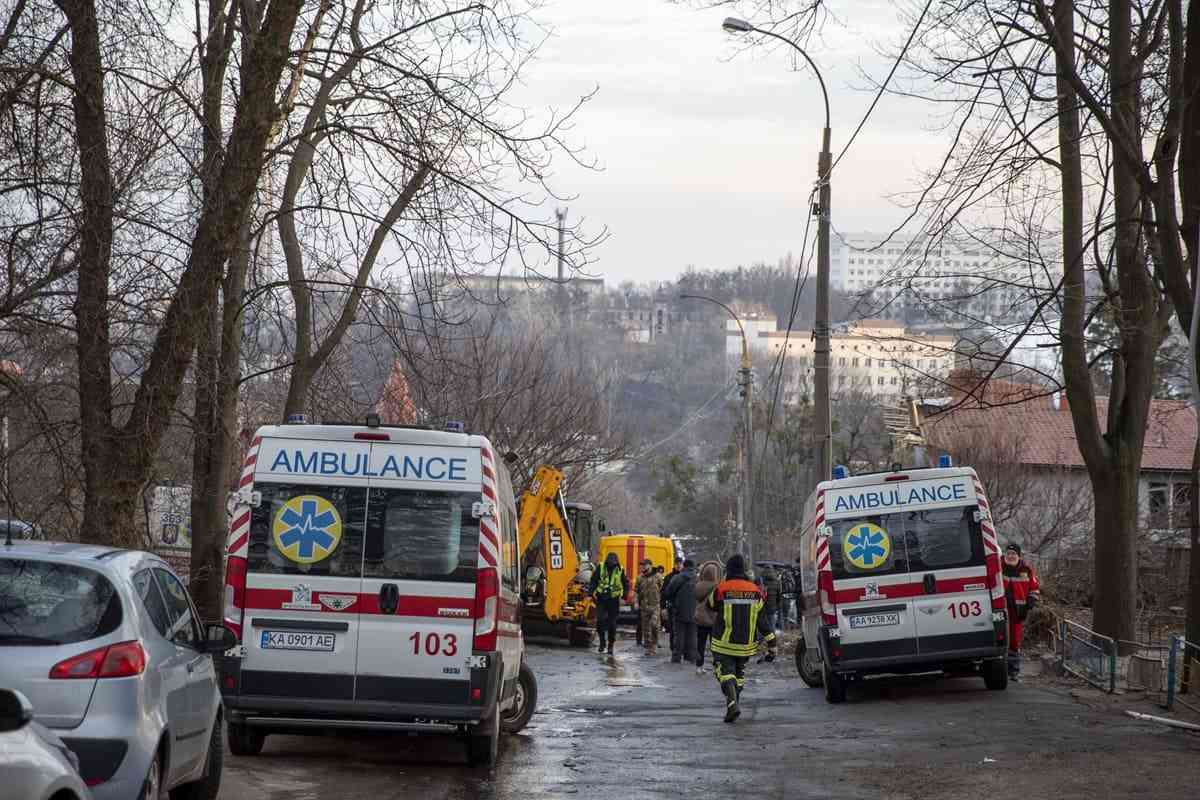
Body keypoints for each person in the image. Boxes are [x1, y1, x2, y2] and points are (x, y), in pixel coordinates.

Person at [705, 554, 777, 723]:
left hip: (723, 642)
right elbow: (763, 621)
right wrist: (772, 643)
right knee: (738, 674)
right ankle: (734, 703)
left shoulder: (722, 588)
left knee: (724, 673)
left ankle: (732, 704)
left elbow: (709, 605)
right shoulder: (756, 591)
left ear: (728, 569)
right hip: (746, 645)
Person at [1002, 543, 1040, 681]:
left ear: (1019, 556)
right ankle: (1000, 669)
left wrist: (1031, 601)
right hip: (999, 610)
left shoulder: (1026, 569)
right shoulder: (998, 566)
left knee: (1014, 641)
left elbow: (1034, 588)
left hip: (1018, 612)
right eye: (1008, 554)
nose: (1011, 556)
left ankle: (1013, 671)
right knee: (1000, 639)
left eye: (1013, 554)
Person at [590, 552, 628, 655]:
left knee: (612, 624)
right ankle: (602, 642)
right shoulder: (601, 567)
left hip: (614, 599)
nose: (611, 564)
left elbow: (625, 583)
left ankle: (611, 645)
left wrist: (625, 595)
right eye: (610, 563)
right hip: (601, 598)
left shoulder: (620, 569)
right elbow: (594, 580)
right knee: (600, 621)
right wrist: (590, 592)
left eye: (613, 563)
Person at [662, 559, 698, 665]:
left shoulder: (678, 577)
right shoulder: (698, 578)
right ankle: (691, 657)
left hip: (679, 610)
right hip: (694, 611)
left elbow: (668, 592)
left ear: (684, 566)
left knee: (679, 635)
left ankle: (677, 658)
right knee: (692, 635)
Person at [693, 561, 721, 674]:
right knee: (715, 644)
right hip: (713, 619)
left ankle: (699, 666)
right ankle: (716, 667)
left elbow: (696, 598)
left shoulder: (698, 585)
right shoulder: (717, 586)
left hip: (700, 619)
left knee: (700, 644)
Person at [634, 559, 662, 656]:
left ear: (650, 565)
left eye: (645, 565)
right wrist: (636, 603)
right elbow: (636, 592)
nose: (643, 567)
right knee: (645, 628)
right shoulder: (639, 578)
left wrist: (663, 603)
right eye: (642, 565)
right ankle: (649, 647)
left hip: (655, 606)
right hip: (644, 606)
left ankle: (654, 644)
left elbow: (663, 590)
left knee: (654, 625)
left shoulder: (658, 576)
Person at [661, 562, 682, 651]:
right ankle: (673, 647)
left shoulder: (684, 576)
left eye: (680, 564)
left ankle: (678, 647)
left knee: (680, 628)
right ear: (674, 565)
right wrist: (663, 606)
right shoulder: (668, 577)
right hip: (671, 605)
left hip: (681, 606)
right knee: (672, 627)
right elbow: (664, 592)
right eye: (677, 564)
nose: (678, 565)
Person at [760, 563, 783, 633]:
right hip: (772, 607)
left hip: (762, 606)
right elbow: (779, 596)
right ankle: (772, 639)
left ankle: (761, 640)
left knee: (762, 624)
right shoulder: (776, 582)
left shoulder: (760, 581)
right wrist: (778, 606)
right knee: (771, 623)